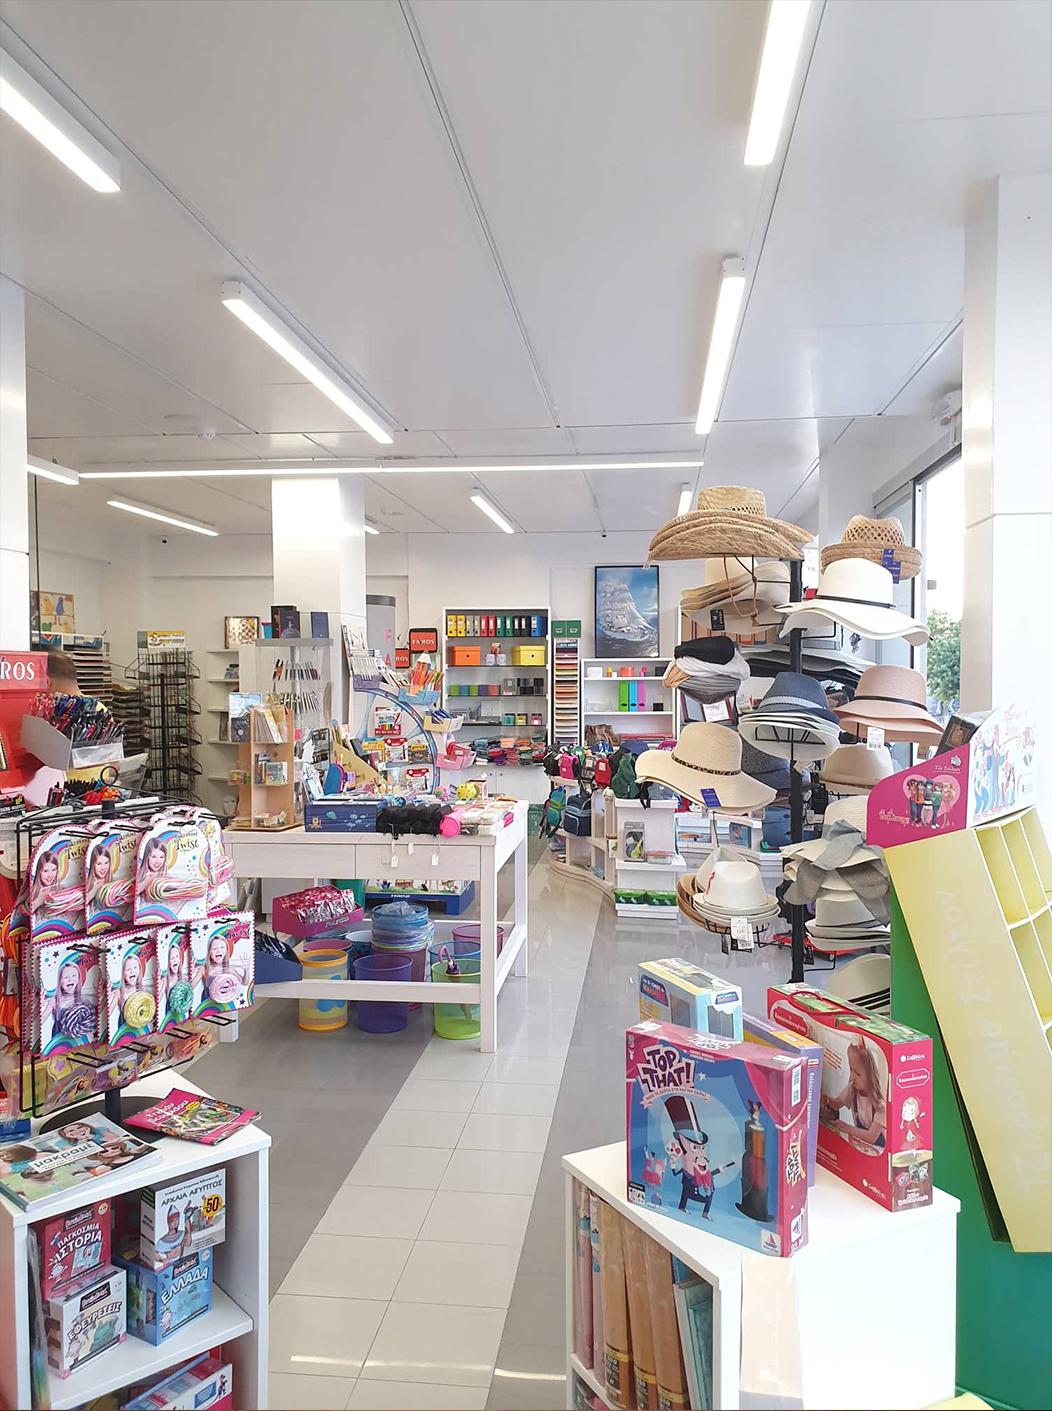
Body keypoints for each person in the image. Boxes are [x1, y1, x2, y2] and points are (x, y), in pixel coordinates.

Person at [822, 1037, 887, 1150]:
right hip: (861, 1145)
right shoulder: (852, 1089)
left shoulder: (880, 1106)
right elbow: (836, 1104)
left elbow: (871, 1137)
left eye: (857, 1073)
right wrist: (825, 1099)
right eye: (851, 1070)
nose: (852, 1077)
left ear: (870, 1076)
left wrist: (846, 1127)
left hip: (879, 1149)